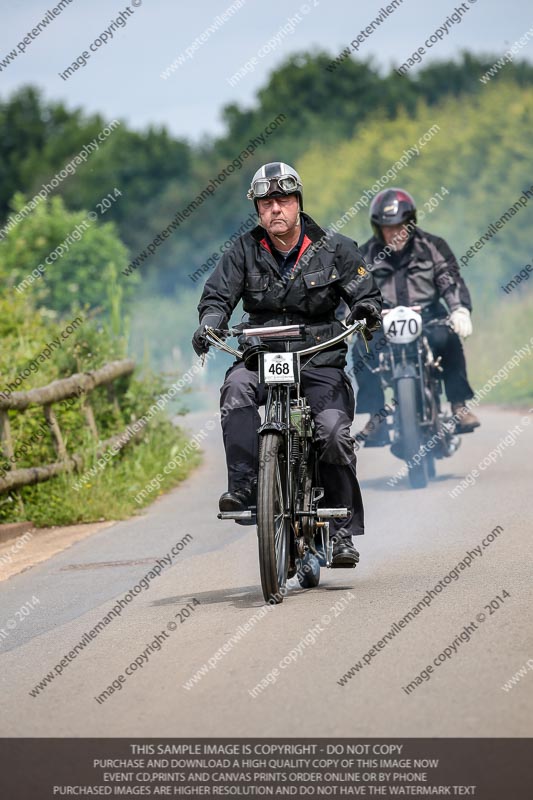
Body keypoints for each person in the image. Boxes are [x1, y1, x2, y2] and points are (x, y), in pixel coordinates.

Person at [192, 162, 382, 567]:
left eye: (282, 200)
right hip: (262, 355)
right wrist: (210, 323)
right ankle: (245, 486)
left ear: (297, 203)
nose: (275, 209)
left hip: (319, 357)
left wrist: (366, 309)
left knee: (332, 432)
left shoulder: (336, 248)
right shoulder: (242, 251)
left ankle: (341, 529)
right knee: (235, 390)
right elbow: (217, 298)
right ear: (258, 209)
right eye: (266, 203)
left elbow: (366, 293)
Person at [352, 187, 480, 445]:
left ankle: (458, 406)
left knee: (449, 339)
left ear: (411, 223)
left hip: (429, 317)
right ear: (378, 228)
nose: (395, 233)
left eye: (401, 226)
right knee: (360, 350)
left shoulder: (433, 246)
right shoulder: (365, 254)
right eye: (388, 228)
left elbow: (448, 278)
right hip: (382, 321)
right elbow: (353, 289)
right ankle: (376, 417)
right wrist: (347, 320)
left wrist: (459, 309)